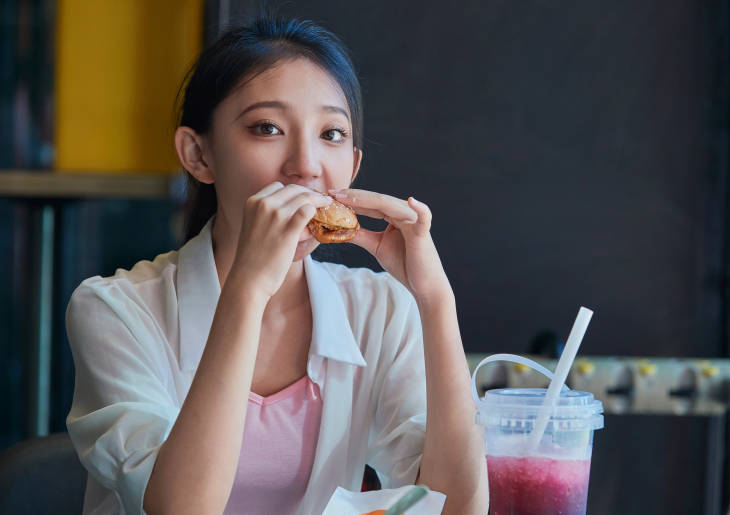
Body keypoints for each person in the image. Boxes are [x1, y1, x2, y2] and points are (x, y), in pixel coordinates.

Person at [65, 13, 488, 515]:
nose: (305, 165)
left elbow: (453, 508)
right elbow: (179, 508)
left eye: (331, 133)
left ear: (351, 168)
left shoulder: (379, 309)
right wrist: (248, 289)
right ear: (198, 155)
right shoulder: (114, 310)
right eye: (267, 128)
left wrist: (436, 301)